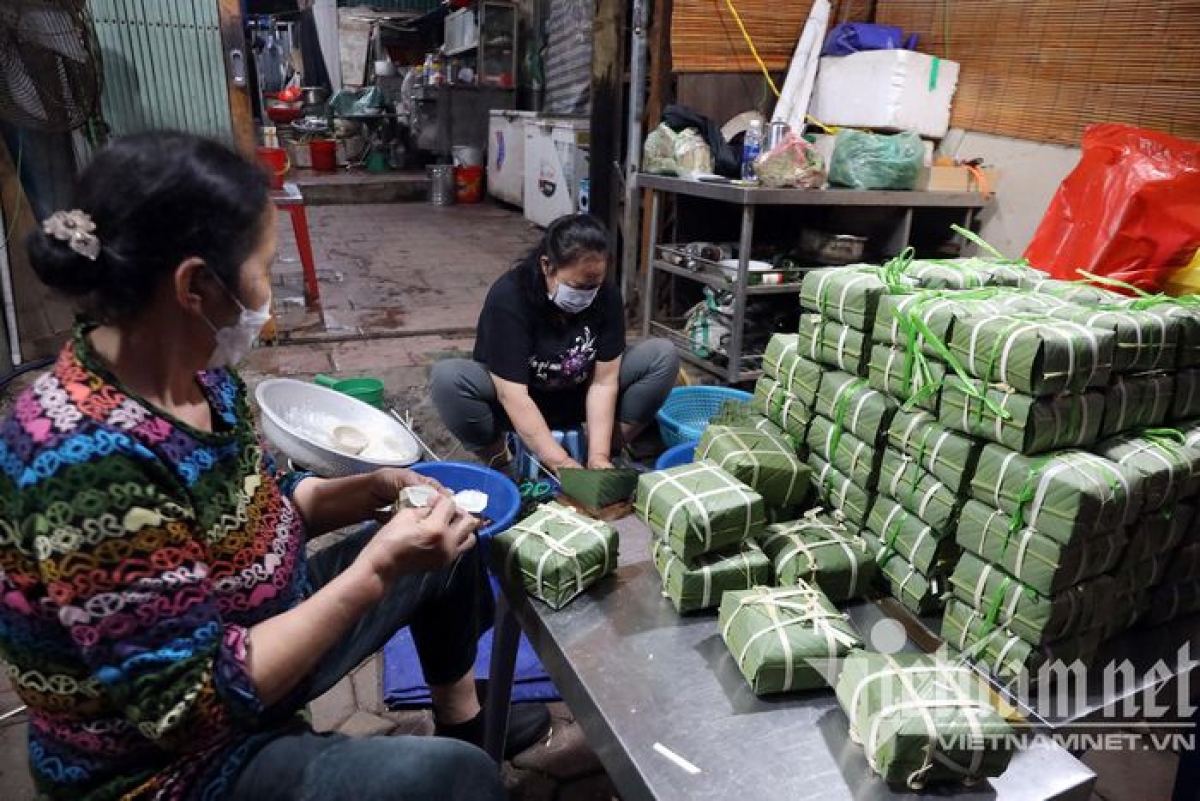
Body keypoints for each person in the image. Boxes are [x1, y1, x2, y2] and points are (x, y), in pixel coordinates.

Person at [0, 132, 547, 801]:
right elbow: (187, 706)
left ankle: (465, 718)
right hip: (167, 763)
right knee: (455, 783)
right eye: (263, 269)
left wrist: (370, 492)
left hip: (255, 632)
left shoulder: (201, 377)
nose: (269, 298)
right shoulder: (86, 463)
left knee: (451, 541)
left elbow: (261, 504)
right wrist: (376, 569)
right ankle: (443, 758)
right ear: (195, 286)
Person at [432, 213, 679, 475]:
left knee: (662, 356)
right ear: (546, 266)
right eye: (576, 286)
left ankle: (605, 458)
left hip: (576, 394)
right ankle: (502, 464)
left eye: (592, 286)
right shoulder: (509, 298)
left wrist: (599, 455)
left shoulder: (606, 296)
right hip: (517, 400)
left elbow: (604, 382)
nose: (585, 296)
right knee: (448, 377)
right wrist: (561, 463)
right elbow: (513, 395)